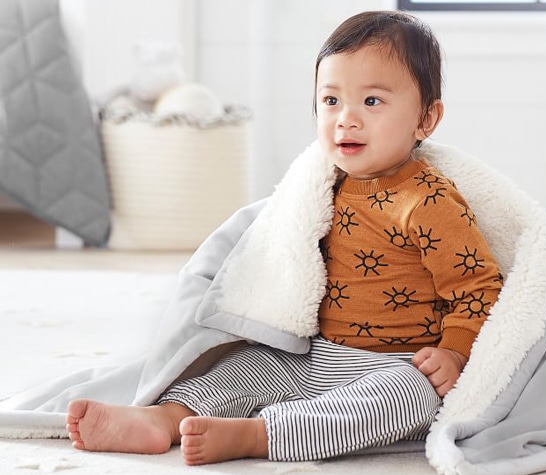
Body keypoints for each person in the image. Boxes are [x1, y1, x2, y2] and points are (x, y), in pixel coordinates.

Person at [66, 10, 502, 466]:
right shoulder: (320, 186)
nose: (346, 120)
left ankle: (259, 435)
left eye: (372, 102)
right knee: (245, 367)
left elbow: (478, 287)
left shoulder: (427, 201)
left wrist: (453, 352)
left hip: (396, 362)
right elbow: (279, 247)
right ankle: (165, 417)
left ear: (425, 119)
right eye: (331, 101)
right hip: (313, 355)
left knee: (411, 398)